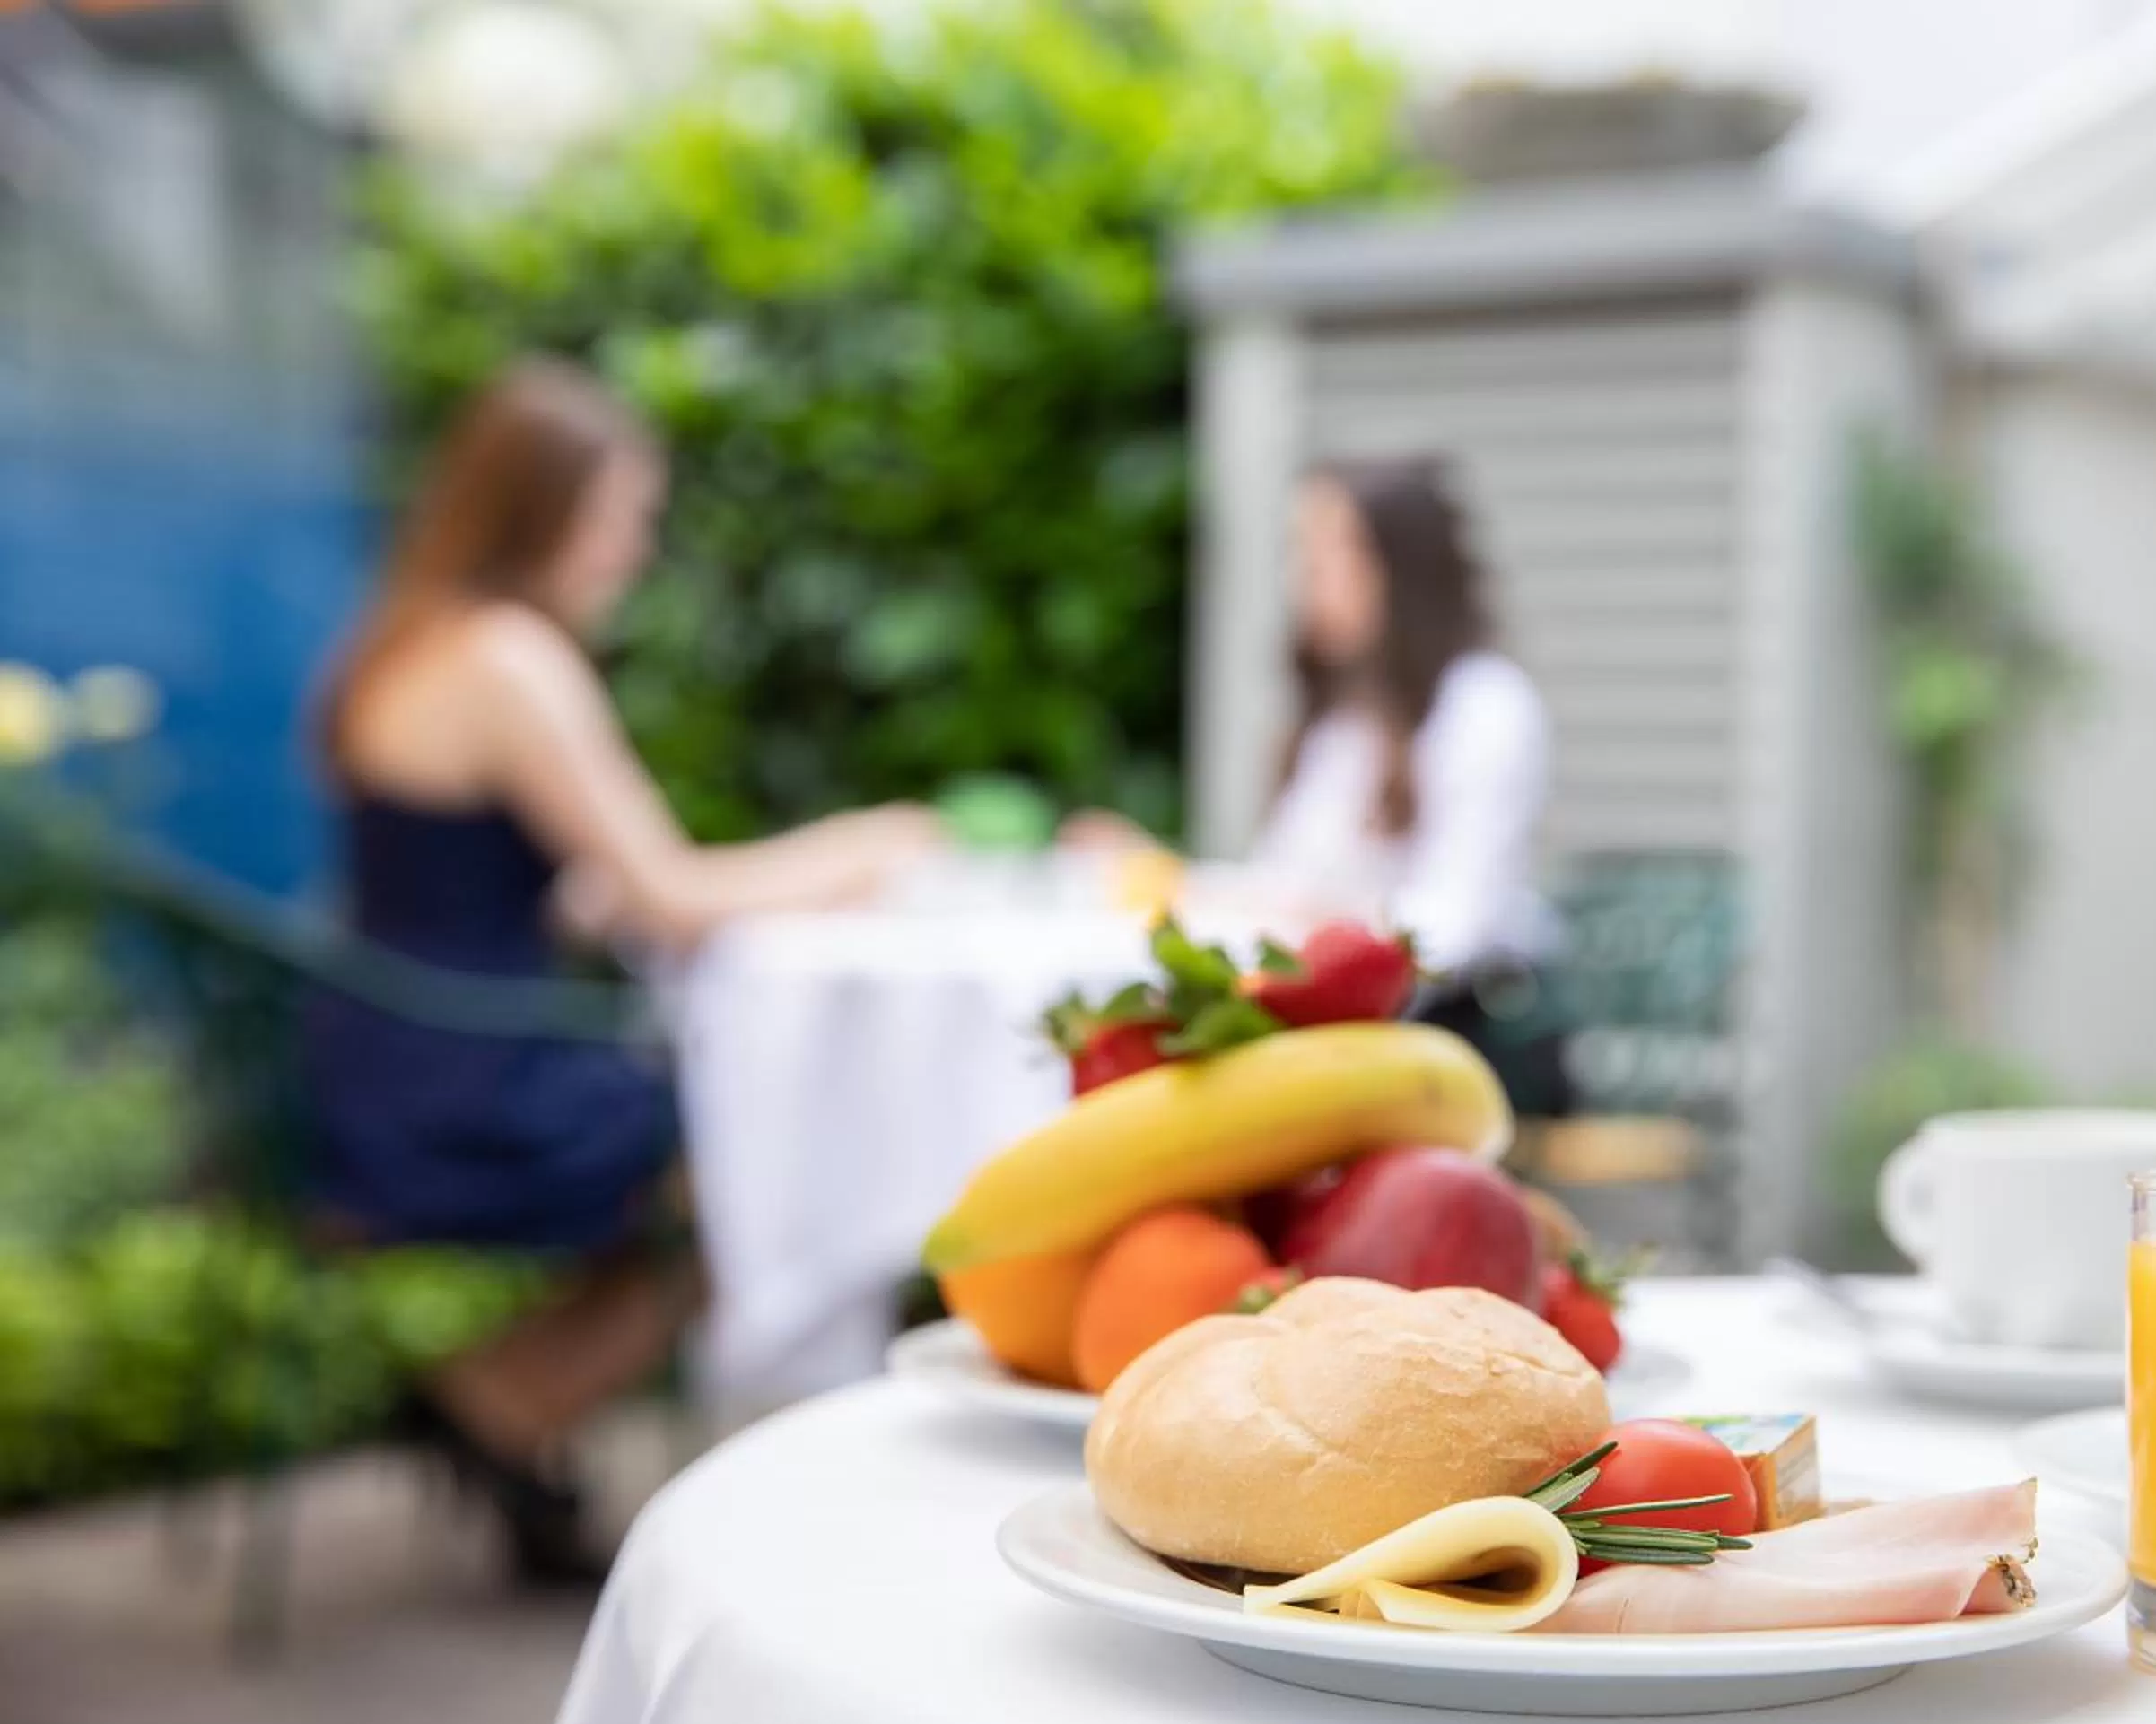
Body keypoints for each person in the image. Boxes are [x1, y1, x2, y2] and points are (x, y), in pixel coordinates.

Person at [309, 361, 928, 1580]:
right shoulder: (506, 660)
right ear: (544, 513)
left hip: (379, 1056)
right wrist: (865, 848)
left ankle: (498, 1407)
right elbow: (676, 898)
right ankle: (501, 1406)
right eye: (618, 520)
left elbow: (466, 875)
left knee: (727, 1147)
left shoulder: (404, 641)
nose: (628, 554)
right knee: (763, 1160)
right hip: (458, 1089)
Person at [1071, 457, 1565, 1107]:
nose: (1307, 578)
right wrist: (1171, 879)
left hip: (1463, 1035)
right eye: (1303, 551)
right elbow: (1285, 885)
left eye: (1333, 552)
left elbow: (1453, 931)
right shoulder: (1345, 720)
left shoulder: (1484, 706)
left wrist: (1333, 927)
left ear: (1403, 567)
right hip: (1342, 1025)